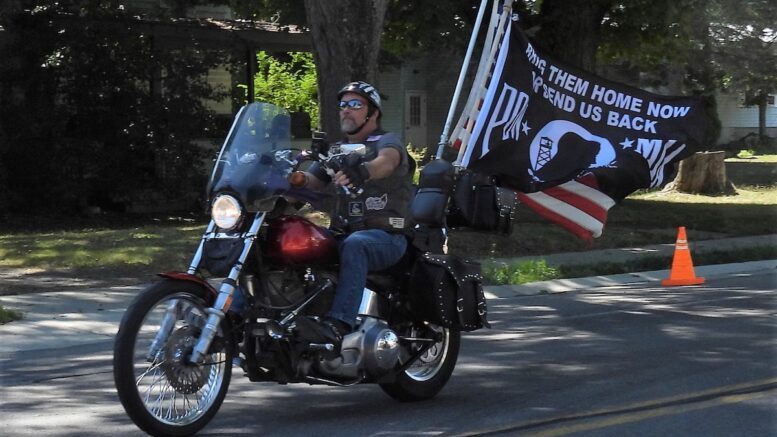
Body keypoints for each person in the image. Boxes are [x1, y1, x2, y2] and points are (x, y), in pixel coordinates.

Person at [293, 81, 414, 346]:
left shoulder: (386, 141)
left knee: (356, 245)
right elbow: (311, 182)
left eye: (356, 104)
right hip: (343, 234)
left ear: (373, 112)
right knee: (296, 240)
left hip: (387, 237)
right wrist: (288, 178)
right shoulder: (334, 151)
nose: (347, 110)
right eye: (343, 105)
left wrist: (364, 170)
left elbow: (387, 162)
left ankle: (340, 323)